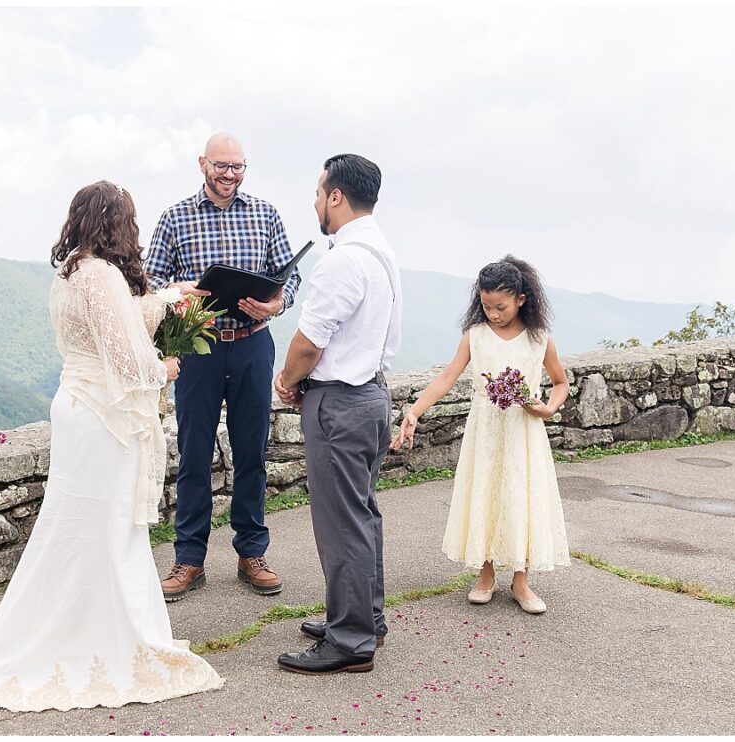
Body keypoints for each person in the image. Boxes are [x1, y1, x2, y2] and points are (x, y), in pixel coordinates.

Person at [0, 181, 223, 711]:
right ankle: (105, 636)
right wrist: (163, 368)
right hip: (104, 419)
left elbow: (118, 320)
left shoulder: (72, 268)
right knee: (109, 524)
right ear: (119, 223)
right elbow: (127, 358)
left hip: (77, 406)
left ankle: (78, 622)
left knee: (75, 523)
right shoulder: (100, 276)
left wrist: (169, 298)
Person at [145, 132, 301, 601]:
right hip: (199, 348)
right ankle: (188, 559)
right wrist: (183, 291)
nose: (229, 174)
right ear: (202, 164)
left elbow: (289, 276)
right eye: (221, 166)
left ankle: (252, 551)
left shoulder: (266, 214)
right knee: (194, 455)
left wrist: (274, 307)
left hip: (254, 344)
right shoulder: (174, 218)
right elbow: (150, 282)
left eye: (237, 167)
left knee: (251, 452)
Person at [273, 154, 400, 675]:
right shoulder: (382, 249)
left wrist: (287, 379)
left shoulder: (343, 259)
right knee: (363, 513)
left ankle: (349, 641)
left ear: (335, 196)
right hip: (371, 395)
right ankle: (364, 617)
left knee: (340, 522)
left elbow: (309, 342)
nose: (315, 202)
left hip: (341, 403)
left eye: (319, 191)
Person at [392, 256, 570, 613]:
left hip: (523, 431)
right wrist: (413, 411)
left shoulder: (540, 340)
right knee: (485, 492)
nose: (492, 314)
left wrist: (548, 408)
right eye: (486, 305)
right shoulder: (475, 336)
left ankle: (521, 580)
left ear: (521, 299)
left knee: (520, 494)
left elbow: (560, 383)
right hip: (485, 430)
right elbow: (446, 378)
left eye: (500, 307)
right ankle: (485, 574)